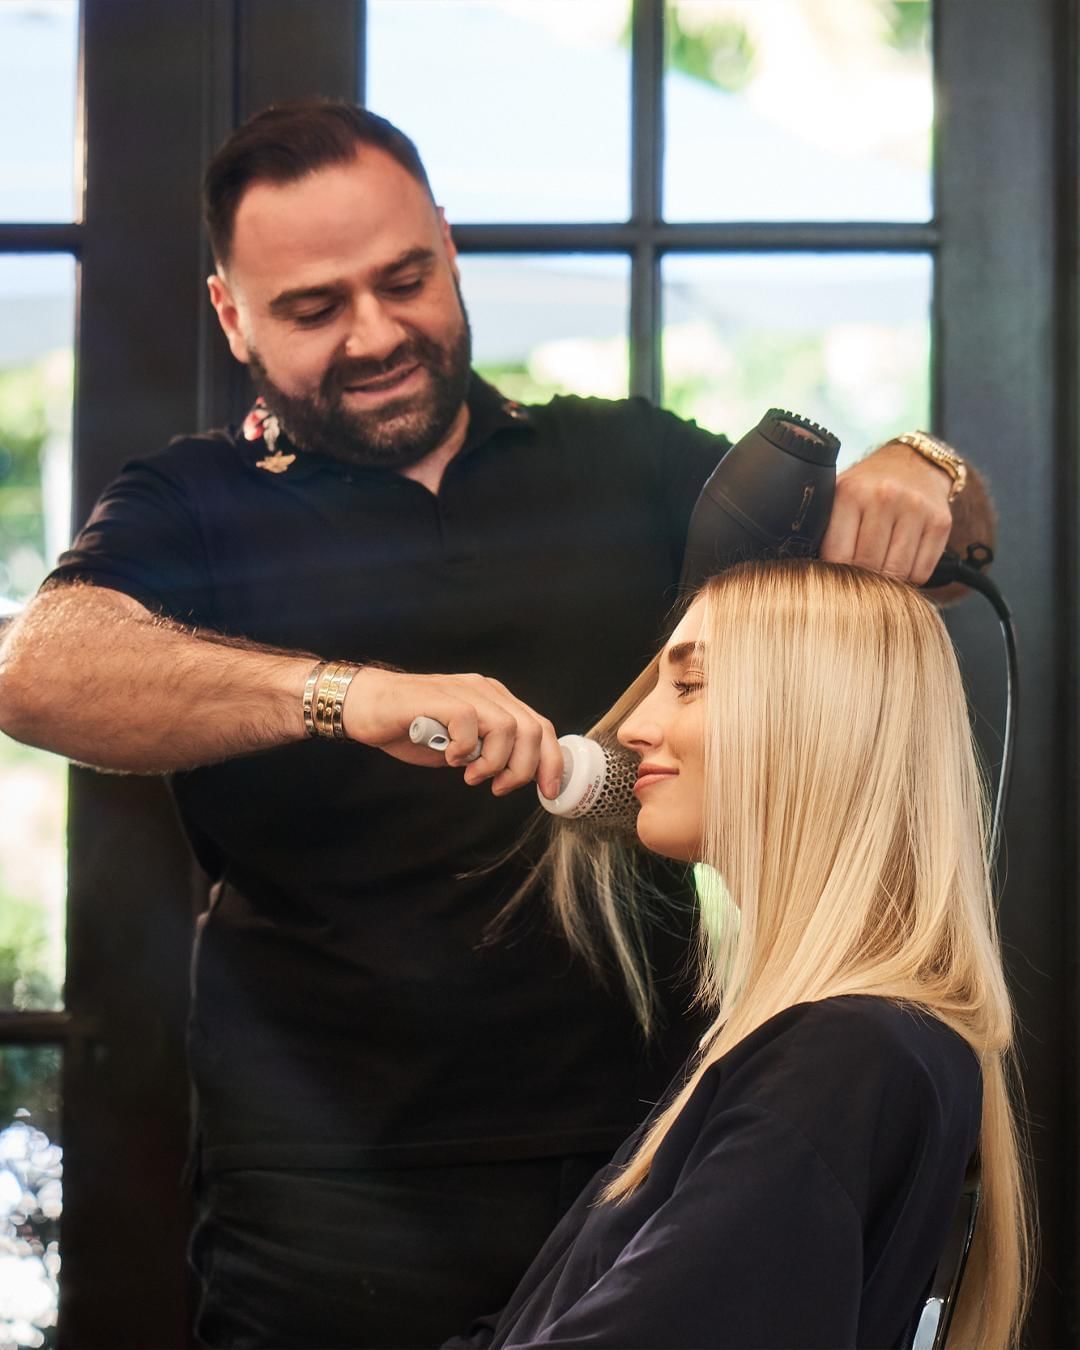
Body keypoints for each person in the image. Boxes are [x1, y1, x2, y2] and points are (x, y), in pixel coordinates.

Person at [0, 100, 996, 1348]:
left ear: (450, 250)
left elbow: (932, 554)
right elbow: (36, 671)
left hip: (638, 1156)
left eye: (405, 279)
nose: (376, 333)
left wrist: (926, 475)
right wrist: (347, 696)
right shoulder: (188, 505)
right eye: (315, 308)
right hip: (324, 1202)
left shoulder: (621, 460)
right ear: (230, 315)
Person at [448, 559, 1031, 1350]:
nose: (631, 729)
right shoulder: (839, 1044)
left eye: (688, 687)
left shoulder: (843, 1057)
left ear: (816, 720)